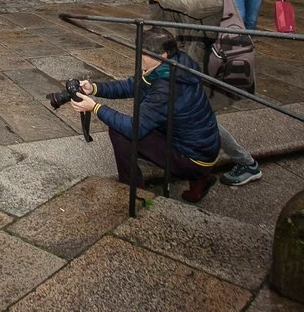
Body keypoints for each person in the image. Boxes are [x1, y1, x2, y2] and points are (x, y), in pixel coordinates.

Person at [140, 0, 263, 187]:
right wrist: (154, 1)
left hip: (220, 65)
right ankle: (154, 146)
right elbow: (160, 24)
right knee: (176, 104)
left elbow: (195, 6)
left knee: (202, 115)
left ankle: (247, 163)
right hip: (196, 62)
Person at [68, 27, 221, 203]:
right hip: (201, 148)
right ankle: (199, 182)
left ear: (162, 55)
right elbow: (132, 86)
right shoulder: (174, 65)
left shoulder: (166, 87)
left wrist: (95, 108)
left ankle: (133, 193)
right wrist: (94, 88)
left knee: (120, 131)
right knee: (130, 124)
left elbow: (134, 129)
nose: (139, 57)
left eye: (144, 54)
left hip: (192, 158)